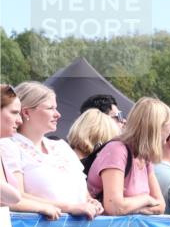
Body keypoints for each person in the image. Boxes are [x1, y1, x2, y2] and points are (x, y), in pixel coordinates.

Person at [4, 82, 102, 219]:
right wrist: (69, 208)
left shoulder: (62, 147)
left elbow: (84, 194)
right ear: (26, 112)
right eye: (50, 108)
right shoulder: (9, 146)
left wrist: (91, 202)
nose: (58, 114)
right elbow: (15, 198)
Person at [85, 96, 167, 216]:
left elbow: (160, 205)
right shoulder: (117, 150)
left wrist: (132, 208)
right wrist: (145, 199)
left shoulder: (144, 157)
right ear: (156, 128)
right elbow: (114, 207)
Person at [1, 85, 60, 217]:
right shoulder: (7, 146)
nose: (19, 120)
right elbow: (13, 197)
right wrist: (41, 207)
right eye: (14, 112)